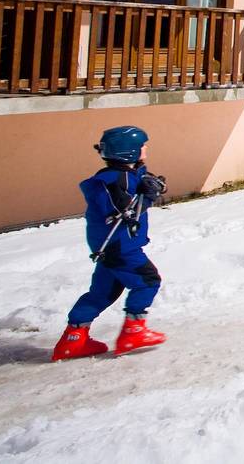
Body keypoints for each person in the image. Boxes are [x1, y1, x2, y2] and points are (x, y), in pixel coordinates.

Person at [52, 126, 168, 361]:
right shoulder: (117, 180)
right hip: (121, 245)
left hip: (108, 247)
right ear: (130, 152)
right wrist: (148, 196)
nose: (146, 149)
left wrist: (153, 185)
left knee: (102, 292)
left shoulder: (121, 175)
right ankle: (133, 331)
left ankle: (73, 339)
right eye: (142, 146)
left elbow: (139, 186)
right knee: (147, 281)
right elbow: (126, 211)